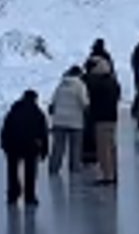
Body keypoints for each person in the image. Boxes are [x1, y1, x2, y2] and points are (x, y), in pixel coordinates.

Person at [3, 91, 49, 207]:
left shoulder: (13, 111)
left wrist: (5, 146)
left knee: (12, 171)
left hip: (13, 145)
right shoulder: (38, 113)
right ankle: (30, 197)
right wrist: (44, 150)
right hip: (30, 146)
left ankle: (12, 195)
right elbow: (43, 133)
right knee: (30, 172)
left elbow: (5, 130)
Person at [85, 56, 121, 184]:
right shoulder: (113, 82)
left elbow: (90, 94)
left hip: (101, 118)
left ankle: (107, 175)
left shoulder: (97, 83)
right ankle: (113, 172)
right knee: (111, 146)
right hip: (112, 117)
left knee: (103, 148)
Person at [48, 67, 89, 176]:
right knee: (75, 147)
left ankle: (53, 168)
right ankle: (74, 168)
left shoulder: (60, 85)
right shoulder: (80, 85)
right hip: (75, 121)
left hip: (59, 121)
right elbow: (84, 102)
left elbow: (53, 102)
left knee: (58, 147)